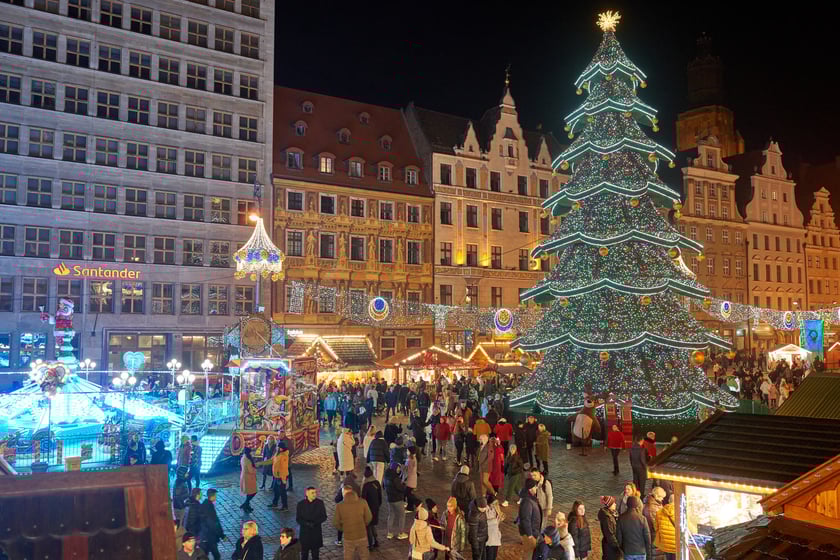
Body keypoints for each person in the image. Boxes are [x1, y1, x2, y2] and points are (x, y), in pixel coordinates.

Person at [333, 484, 373, 560]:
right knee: (364, 555)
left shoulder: (340, 505)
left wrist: (343, 529)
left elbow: (335, 522)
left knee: (348, 556)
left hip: (348, 537)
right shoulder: (363, 502)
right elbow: (369, 517)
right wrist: (363, 525)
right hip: (362, 535)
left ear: (344, 492)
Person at [616, 496, 652, 560]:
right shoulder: (642, 518)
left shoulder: (621, 518)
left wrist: (622, 549)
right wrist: (649, 553)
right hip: (641, 551)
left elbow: (619, 537)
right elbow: (647, 537)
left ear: (627, 504)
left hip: (628, 551)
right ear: (637, 505)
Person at [297, 487, 328, 560]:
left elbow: (324, 516)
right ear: (307, 493)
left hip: (316, 532)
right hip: (305, 533)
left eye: (315, 492)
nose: (315, 494)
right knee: (304, 555)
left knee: (315, 555)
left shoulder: (320, 503)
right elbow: (298, 519)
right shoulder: (301, 504)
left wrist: (315, 523)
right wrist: (307, 523)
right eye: (312, 493)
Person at [517, 479, 542, 560]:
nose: (536, 488)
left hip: (533, 532)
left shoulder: (530, 498)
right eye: (535, 487)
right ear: (530, 489)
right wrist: (530, 535)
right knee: (529, 555)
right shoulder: (527, 501)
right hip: (529, 534)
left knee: (531, 555)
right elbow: (525, 519)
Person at [198, 489, 225, 560]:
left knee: (205, 554)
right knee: (216, 555)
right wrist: (222, 535)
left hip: (205, 535)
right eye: (215, 495)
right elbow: (214, 524)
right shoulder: (210, 507)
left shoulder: (204, 504)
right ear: (212, 496)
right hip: (210, 536)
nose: (216, 497)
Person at [384, 461, 408, 539]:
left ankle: (389, 533)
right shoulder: (395, 478)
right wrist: (404, 484)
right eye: (398, 468)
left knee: (391, 515)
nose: (399, 469)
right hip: (397, 499)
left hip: (389, 499)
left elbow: (383, 487)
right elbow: (401, 488)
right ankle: (401, 533)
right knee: (402, 515)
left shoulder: (386, 476)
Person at [362, 466, 383, 549]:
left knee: (368, 527)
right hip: (376, 507)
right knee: (373, 525)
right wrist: (378, 505)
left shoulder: (366, 485)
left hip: (368, 509)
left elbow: (363, 499)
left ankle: (370, 544)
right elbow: (380, 497)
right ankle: (376, 541)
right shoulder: (377, 483)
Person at [501, 443, 525, 507]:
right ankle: (523, 497)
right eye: (511, 449)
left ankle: (507, 501)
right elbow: (506, 466)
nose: (512, 450)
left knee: (510, 487)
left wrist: (515, 471)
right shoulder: (508, 456)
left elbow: (521, 466)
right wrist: (504, 472)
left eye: (513, 449)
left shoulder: (517, 457)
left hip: (516, 474)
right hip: (510, 474)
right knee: (515, 488)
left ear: (515, 449)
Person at [270, 441, 290, 511]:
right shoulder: (277, 454)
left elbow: (284, 468)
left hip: (281, 476)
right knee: (276, 490)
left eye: (278, 447)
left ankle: (285, 506)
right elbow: (271, 460)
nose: (277, 448)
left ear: (281, 448)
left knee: (282, 492)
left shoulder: (284, 456)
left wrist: (283, 479)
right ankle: (275, 503)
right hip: (276, 476)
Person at [239, 447, 258, 513]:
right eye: (251, 452)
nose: (252, 453)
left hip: (245, 477)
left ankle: (247, 506)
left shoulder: (243, 458)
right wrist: (255, 469)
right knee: (253, 492)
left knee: (249, 492)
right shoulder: (247, 459)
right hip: (249, 478)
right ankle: (245, 504)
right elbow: (250, 470)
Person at [485, 494, 503, 560]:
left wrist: (499, 518)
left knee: (494, 556)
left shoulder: (495, 509)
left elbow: (496, 523)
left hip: (495, 537)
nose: (495, 505)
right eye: (494, 503)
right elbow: (485, 523)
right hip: (489, 537)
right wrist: (496, 520)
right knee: (489, 557)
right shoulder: (485, 509)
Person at [403, 447, 418, 511]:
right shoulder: (412, 459)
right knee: (408, 493)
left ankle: (416, 503)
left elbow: (408, 470)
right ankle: (410, 506)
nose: (407, 452)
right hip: (412, 479)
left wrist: (403, 479)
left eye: (407, 451)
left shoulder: (410, 460)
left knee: (407, 493)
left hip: (410, 479)